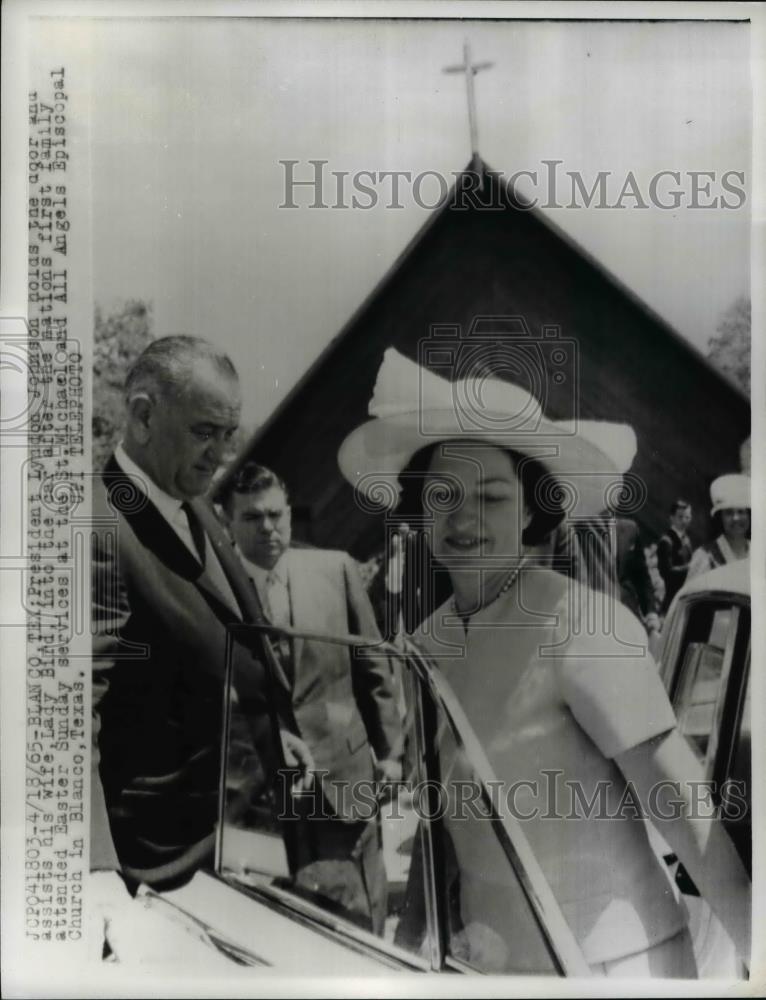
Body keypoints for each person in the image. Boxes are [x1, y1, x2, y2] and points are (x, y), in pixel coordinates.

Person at [338, 348, 750, 977]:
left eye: (492, 497)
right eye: (444, 493)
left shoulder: (582, 621)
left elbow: (680, 799)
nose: (465, 517)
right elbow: (440, 823)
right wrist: (411, 942)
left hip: (619, 966)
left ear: (530, 510)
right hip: (489, 965)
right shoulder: (425, 642)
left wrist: (758, 945)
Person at [90, 337, 312, 958]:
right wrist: (94, 871)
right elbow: (69, 717)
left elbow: (222, 631)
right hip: (153, 876)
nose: (222, 454)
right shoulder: (99, 526)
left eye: (230, 433)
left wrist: (271, 729)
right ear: (141, 415)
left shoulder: (194, 503)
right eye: (205, 432)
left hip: (237, 845)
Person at [222, 462, 402, 935]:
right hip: (260, 794)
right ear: (228, 521)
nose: (268, 527)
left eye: (276, 514)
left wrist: (391, 754)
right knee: (288, 916)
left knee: (363, 909)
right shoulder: (216, 594)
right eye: (252, 517)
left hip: (345, 774)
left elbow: (373, 667)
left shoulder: (335, 569)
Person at [687, 474, 750, 580]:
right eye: (729, 513)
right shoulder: (704, 557)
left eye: (741, 512)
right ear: (720, 518)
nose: (736, 518)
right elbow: (692, 595)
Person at [656, 499, 694, 613]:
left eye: (687, 517)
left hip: (686, 595)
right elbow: (666, 572)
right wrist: (690, 568)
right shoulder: (666, 541)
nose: (684, 521)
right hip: (672, 597)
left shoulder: (686, 539)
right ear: (672, 518)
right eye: (680, 517)